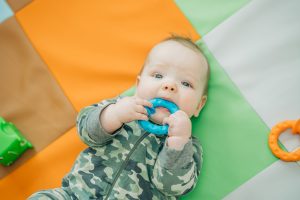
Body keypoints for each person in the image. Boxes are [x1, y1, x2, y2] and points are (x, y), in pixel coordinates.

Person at [29, 35, 209, 200]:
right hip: (75, 195)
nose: (169, 85)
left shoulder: (189, 146)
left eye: (186, 83)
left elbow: (173, 188)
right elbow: (85, 130)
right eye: (158, 75)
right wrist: (113, 115)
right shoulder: (120, 108)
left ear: (198, 106)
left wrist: (178, 142)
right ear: (138, 85)